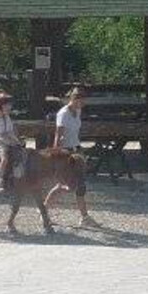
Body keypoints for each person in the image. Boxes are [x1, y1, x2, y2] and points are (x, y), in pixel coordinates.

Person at [44, 87, 96, 227]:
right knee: (67, 185)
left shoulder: (77, 111)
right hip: (66, 152)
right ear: (72, 99)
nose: (81, 102)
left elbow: (75, 132)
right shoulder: (63, 114)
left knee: (79, 185)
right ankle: (44, 210)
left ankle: (84, 217)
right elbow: (58, 135)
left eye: (83, 99)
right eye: (79, 99)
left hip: (76, 149)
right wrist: (58, 154)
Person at [0, 92, 23, 193]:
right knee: (4, 158)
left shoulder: (7, 117)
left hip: (8, 140)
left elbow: (10, 132)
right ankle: (0, 181)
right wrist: (10, 142)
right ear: (0, 106)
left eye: (10, 104)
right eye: (7, 105)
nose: (10, 106)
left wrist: (17, 141)